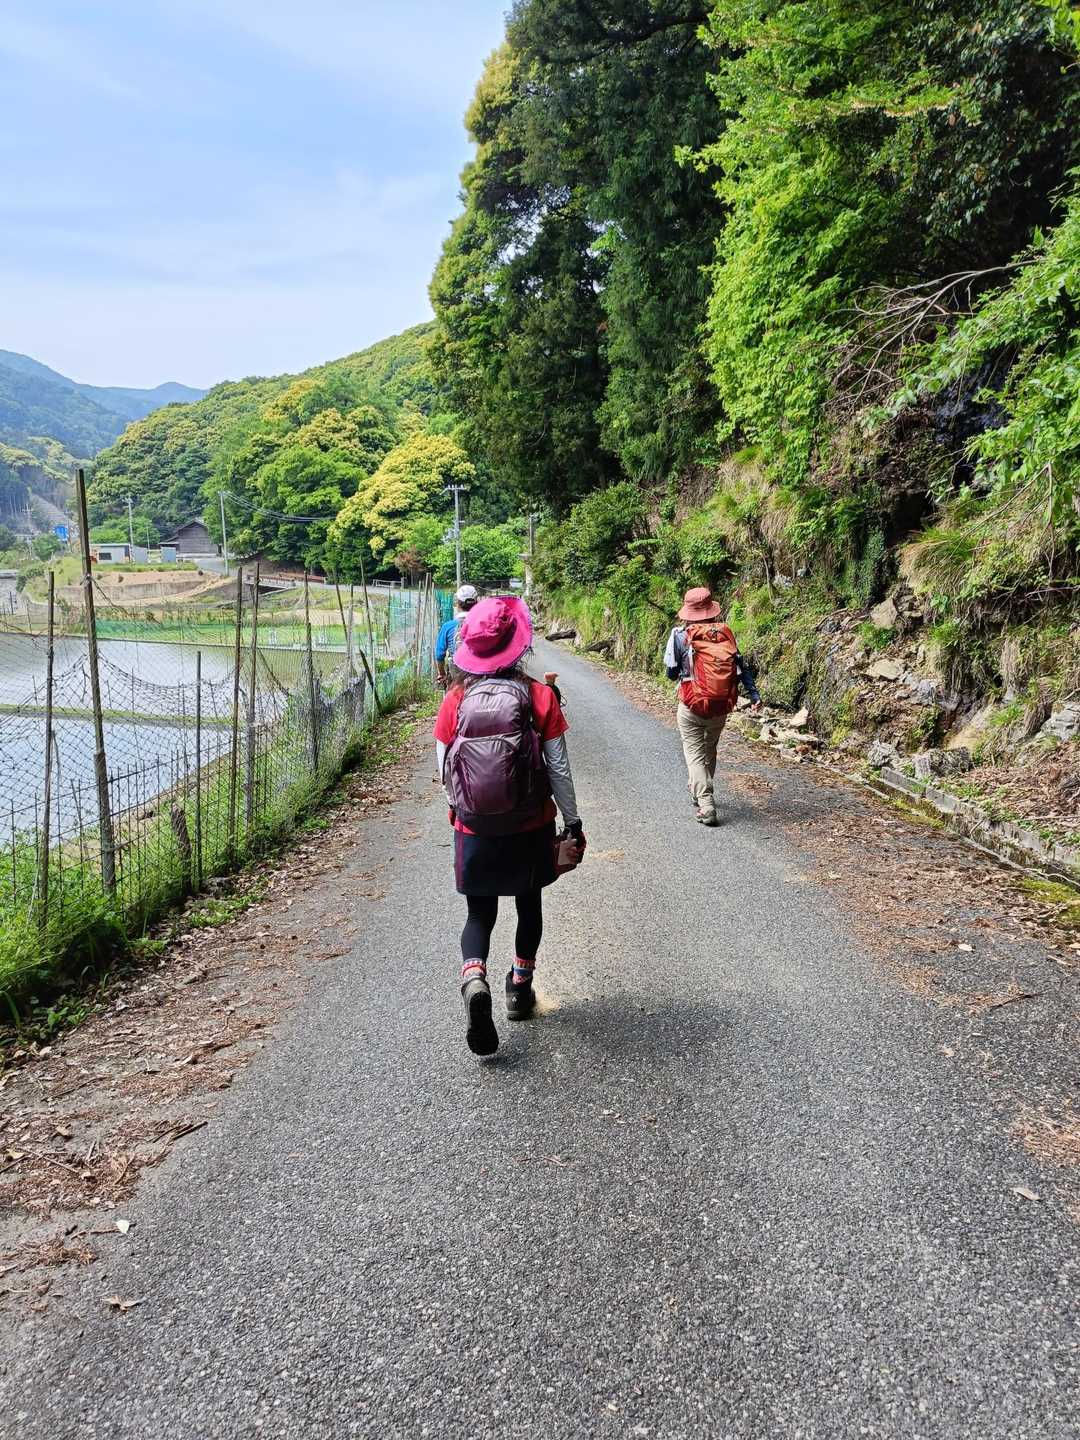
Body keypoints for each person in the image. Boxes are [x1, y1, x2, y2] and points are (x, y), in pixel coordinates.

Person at [434, 595, 584, 1057]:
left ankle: (474, 976)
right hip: (530, 824)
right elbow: (559, 770)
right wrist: (573, 821)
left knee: (479, 914)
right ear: (518, 646)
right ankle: (519, 987)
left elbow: (445, 769)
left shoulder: (456, 698)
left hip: (474, 828)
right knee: (528, 904)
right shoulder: (539, 696)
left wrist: (460, 810)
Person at [664, 586, 761, 828]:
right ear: (711, 610)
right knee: (710, 749)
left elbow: (671, 673)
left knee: (694, 754)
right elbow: (741, 667)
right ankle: (700, 790)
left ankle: (706, 804)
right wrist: (754, 695)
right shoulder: (725, 633)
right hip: (721, 706)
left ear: (688, 612)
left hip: (691, 704)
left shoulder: (679, 635)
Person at [435, 583, 479, 687]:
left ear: (457, 603)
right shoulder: (482, 625)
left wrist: (442, 674)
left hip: (456, 676)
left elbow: (439, 655)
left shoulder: (448, 626)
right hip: (478, 677)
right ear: (476, 603)